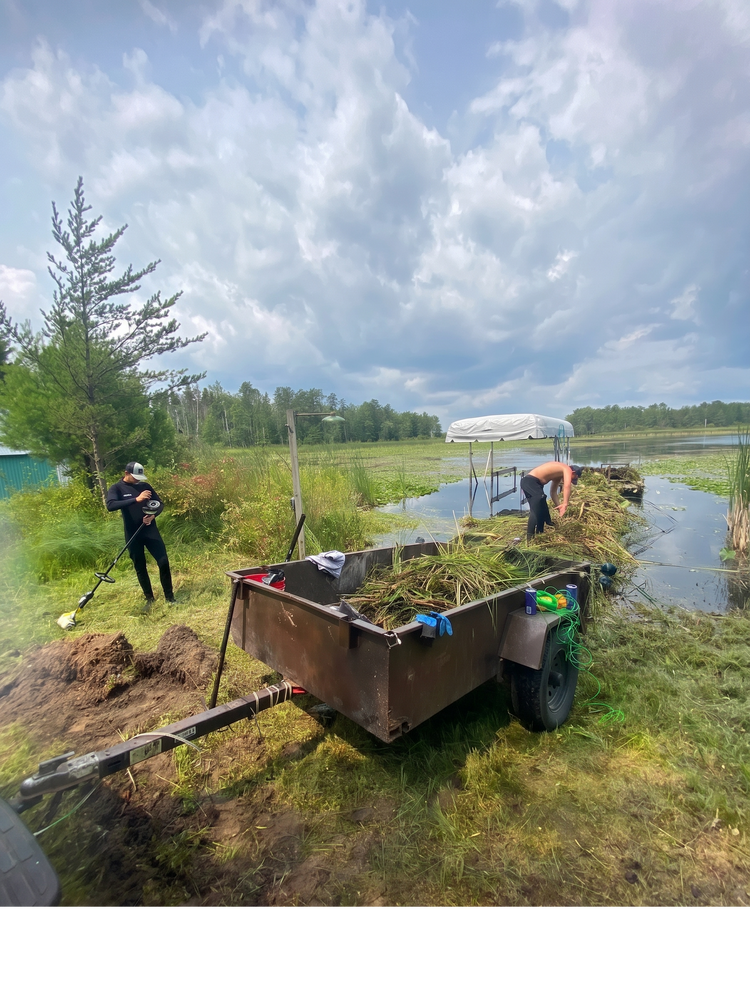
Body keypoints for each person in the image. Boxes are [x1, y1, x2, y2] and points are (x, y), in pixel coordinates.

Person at [105, 461, 175, 606]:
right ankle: (149, 598)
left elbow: (159, 504)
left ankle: (170, 597)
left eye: (139, 477)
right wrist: (136, 499)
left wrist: (153, 516)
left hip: (150, 531)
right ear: (126, 473)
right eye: (135, 476)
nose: (137, 480)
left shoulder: (145, 487)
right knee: (140, 566)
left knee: (163, 562)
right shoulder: (117, 488)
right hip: (132, 533)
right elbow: (110, 505)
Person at [520, 462, 583, 541]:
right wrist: (565, 504)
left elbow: (553, 492)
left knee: (541, 505)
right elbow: (567, 486)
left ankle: (540, 533)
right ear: (573, 472)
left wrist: (559, 506)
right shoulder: (567, 469)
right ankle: (529, 538)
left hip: (534, 484)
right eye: (572, 478)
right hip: (530, 482)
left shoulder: (558, 475)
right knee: (538, 504)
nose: (570, 480)